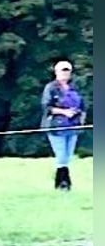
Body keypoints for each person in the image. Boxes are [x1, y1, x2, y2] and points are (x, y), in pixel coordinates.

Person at [40, 60, 86, 190]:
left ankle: (61, 183)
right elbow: (46, 106)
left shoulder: (75, 87)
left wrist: (77, 114)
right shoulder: (51, 87)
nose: (65, 74)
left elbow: (82, 105)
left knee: (68, 156)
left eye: (67, 71)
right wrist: (64, 112)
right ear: (56, 72)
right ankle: (63, 183)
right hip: (56, 127)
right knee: (61, 156)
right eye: (62, 71)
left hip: (73, 126)